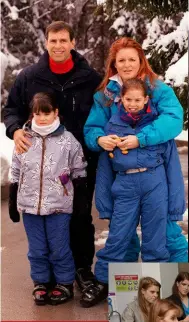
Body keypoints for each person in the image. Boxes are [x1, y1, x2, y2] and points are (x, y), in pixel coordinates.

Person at [81, 36, 188, 304]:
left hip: (155, 171)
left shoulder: (157, 89)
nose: (127, 64)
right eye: (121, 60)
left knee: (165, 232)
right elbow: (93, 128)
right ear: (113, 65)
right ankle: (122, 295)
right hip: (121, 174)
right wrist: (99, 139)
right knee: (122, 234)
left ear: (141, 61)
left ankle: (179, 284)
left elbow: (173, 120)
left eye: (132, 59)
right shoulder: (105, 96)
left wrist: (142, 138)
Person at [4, 21, 102, 290]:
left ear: (73, 43)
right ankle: (47, 278)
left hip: (80, 162)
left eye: (63, 40)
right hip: (41, 165)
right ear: (46, 43)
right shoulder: (29, 77)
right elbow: (11, 110)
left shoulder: (90, 79)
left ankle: (81, 269)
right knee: (45, 224)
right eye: (53, 41)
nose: (58, 45)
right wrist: (15, 131)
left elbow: (104, 113)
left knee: (80, 217)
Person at [9, 92, 88, 305]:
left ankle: (64, 283)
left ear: (56, 113)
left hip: (58, 206)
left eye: (46, 113)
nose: (42, 118)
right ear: (32, 114)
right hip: (29, 205)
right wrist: (13, 197)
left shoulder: (68, 140)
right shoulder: (24, 138)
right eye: (37, 113)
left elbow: (79, 168)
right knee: (36, 249)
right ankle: (41, 282)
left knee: (59, 247)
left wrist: (79, 196)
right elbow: (16, 169)